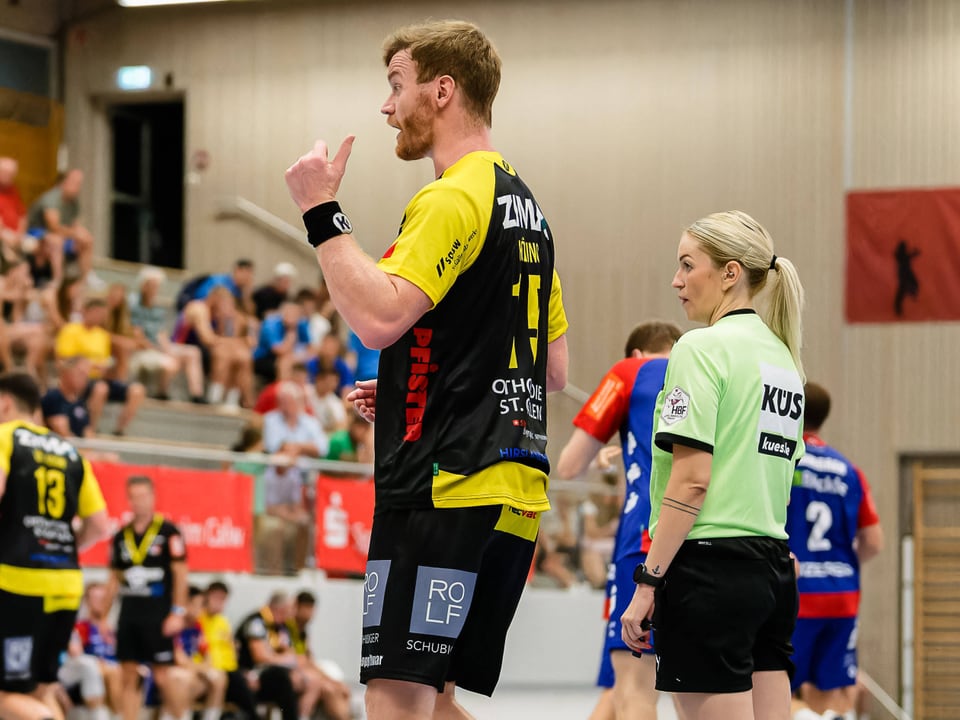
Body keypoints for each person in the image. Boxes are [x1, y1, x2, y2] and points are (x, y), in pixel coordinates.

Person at [285, 19, 569, 719]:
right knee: (437, 698)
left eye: (396, 85)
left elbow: (379, 318)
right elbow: (551, 367)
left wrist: (321, 212)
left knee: (395, 694)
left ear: (442, 91)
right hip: (514, 490)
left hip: (444, 482)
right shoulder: (526, 206)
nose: (386, 106)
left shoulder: (452, 197)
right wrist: (434, 380)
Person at [620, 210, 806, 720]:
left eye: (687, 265)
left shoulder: (700, 349)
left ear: (729, 273)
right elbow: (779, 473)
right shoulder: (784, 359)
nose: (676, 281)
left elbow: (693, 480)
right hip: (771, 573)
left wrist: (649, 581)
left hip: (709, 574)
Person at [556, 320, 682, 719]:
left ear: (636, 355)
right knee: (689, 689)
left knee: (633, 689)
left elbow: (570, 465)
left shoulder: (630, 372)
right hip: (709, 538)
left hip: (645, 538)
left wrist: (616, 444)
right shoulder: (707, 370)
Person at [0, 371, 110, 720]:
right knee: (41, 689)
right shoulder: (71, 452)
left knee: (7, 695)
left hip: (16, 581)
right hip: (65, 581)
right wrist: (60, 544)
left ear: (4, 404)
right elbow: (99, 526)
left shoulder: (4, 437)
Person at [787, 382, 883, 720]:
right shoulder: (849, 470)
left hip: (794, 592)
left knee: (775, 690)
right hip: (841, 592)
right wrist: (840, 564)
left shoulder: (782, 461)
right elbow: (873, 541)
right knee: (832, 693)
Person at [106, 475, 193, 720]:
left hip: (158, 614)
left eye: (144, 496)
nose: (139, 502)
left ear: (153, 497)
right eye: (134, 497)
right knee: (129, 673)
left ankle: (180, 717)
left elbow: (180, 573)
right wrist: (104, 615)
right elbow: (113, 578)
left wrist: (178, 611)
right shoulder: (121, 536)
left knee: (164, 676)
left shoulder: (169, 532)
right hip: (129, 613)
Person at [54, 297, 147, 435]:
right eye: (96, 313)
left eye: (102, 315)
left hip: (101, 377)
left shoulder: (102, 335)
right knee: (100, 389)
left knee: (137, 390)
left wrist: (110, 369)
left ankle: (119, 430)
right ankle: (90, 428)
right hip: (81, 379)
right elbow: (64, 361)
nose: (99, 317)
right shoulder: (70, 330)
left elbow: (108, 360)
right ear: (86, 311)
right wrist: (88, 364)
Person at [262, 382, 327, 574]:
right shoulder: (270, 420)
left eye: (289, 401)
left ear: (299, 402)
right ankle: (277, 570)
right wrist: (302, 448)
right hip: (278, 486)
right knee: (280, 526)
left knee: (307, 523)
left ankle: (301, 568)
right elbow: (275, 447)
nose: (285, 405)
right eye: (282, 401)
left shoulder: (310, 422)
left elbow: (322, 449)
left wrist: (296, 448)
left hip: (304, 482)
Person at [234, 592, 322, 720]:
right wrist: (285, 659)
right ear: (281, 609)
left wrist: (285, 659)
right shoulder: (257, 622)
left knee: (312, 681)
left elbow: (292, 653)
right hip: (251, 674)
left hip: (273, 671)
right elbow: (260, 656)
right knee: (285, 678)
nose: (292, 614)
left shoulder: (281, 627)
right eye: (290, 609)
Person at [128, 266, 206, 403]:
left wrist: (167, 349)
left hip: (158, 346)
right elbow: (137, 335)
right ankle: (162, 393)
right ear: (143, 286)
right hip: (143, 348)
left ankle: (197, 395)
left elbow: (161, 334)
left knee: (193, 352)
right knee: (171, 363)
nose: (154, 290)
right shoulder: (134, 306)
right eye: (152, 286)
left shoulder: (157, 309)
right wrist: (158, 349)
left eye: (156, 286)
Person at [59, 582, 123, 720]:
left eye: (103, 599)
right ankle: (118, 715)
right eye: (95, 598)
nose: (99, 603)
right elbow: (76, 654)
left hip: (114, 668)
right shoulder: (81, 626)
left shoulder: (115, 629)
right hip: (93, 669)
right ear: (86, 601)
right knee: (112, 672)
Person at [286, 591, 353, 720]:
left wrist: (332, 680)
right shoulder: (288, 628)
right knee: (328, 689)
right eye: (307, 608)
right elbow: (299, 661)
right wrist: (329, 680)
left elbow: (309, 660)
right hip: (295, 674)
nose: (310, 614)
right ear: (297, 607)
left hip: (307, 672)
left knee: (341, 690)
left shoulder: (303, 631)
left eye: (312, 609)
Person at [198, 581, 260, 720]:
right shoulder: (199, 618)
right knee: (241, 689)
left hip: (230, 671)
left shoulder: (223, 622)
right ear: (206, 597)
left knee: (250, 684)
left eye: (223, 599)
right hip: (212, 669)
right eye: (216, 597)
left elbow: (232, 653)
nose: (219, 602)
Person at [25, 170, 96, 285]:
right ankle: (57, 279)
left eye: (79, 184)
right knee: (56, 241)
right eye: (75, 183)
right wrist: (75, 233)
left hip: (60, 234)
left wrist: (81, 234)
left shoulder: (74, 201)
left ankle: (87, 276)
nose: (77, 187)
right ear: (64, 182)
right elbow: (53, 227)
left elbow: (75, 224)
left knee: (86, 239)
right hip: (36, 233)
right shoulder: (52, 198)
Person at [174, 586, 227, 720]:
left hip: (192, 671)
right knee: (189, 681)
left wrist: (206, 669)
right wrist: (202, 669)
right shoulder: (176, 625)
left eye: (203, 605)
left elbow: (207, 655)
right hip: (175, 673)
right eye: (198, 605)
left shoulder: (197, 626)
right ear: (186, 604)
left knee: (219, 678)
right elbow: (179, 659)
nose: (201, 610)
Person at [253, 302, 314, 384]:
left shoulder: (301, 324)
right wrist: (291, 336)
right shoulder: (271, 325)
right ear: (282, 314)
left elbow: (312, 349)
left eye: (296, 315)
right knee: (285, 361)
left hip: (290, 356)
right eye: (289, 314)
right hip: (264, 358)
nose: (292, 318)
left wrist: (298, 357)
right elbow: (279, 351)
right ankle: (284, 389)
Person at [0, 158, 27, 260]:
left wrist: (20, 233)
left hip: (15, 235)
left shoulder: (13, 189)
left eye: (11, 174)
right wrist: (3, 234)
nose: (8, 176)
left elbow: (23, 215)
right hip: (4, 235)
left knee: (37, 245)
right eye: (5, 173)